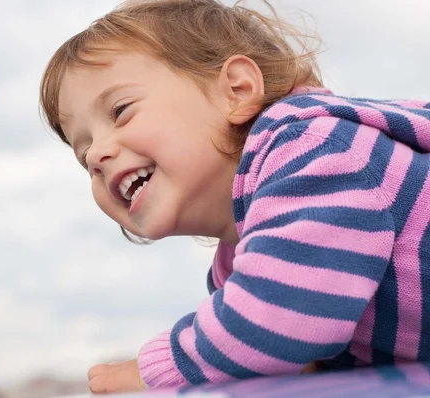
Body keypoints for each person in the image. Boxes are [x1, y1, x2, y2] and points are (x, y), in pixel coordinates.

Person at [39, 0, 430, 394]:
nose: (95, 156)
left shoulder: (316, 150)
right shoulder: (240, 267)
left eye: (121, 111)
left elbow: (280, 324)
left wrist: (158, 370)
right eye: (82, 152)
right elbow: (291, 366)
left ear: (237, 91)